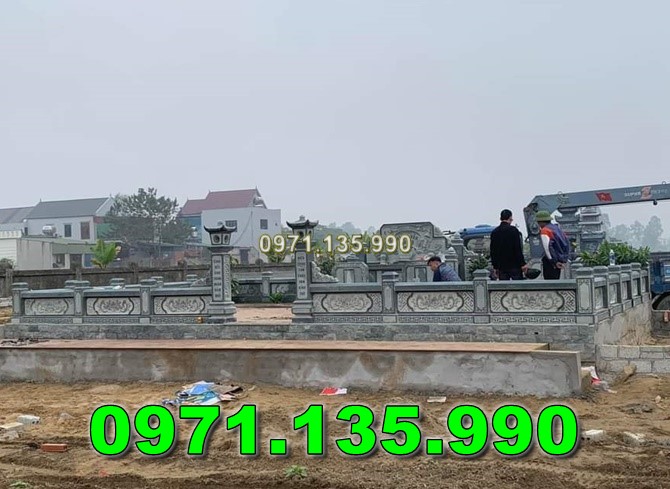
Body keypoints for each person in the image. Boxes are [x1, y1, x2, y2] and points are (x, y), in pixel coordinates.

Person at [489, 209, 528, 280]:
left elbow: (493, 251)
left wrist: (495, 266)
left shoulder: (494, 232)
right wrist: (523, 264)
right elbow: (517, 249)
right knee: (517, 285)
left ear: (500, 218)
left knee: (504, 285)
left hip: (501, 266)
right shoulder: (513, 230)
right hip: (514, 265)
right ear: (510, 218)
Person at [535, 210, 570, 280]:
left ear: (540, 222)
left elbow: (547, 248)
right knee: (556, 281)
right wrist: (563, 259)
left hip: (551, 262)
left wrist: (554, 261)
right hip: (560, 260)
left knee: (549, 282)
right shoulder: (557, 229)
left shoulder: (545, 230)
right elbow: (567, 244)